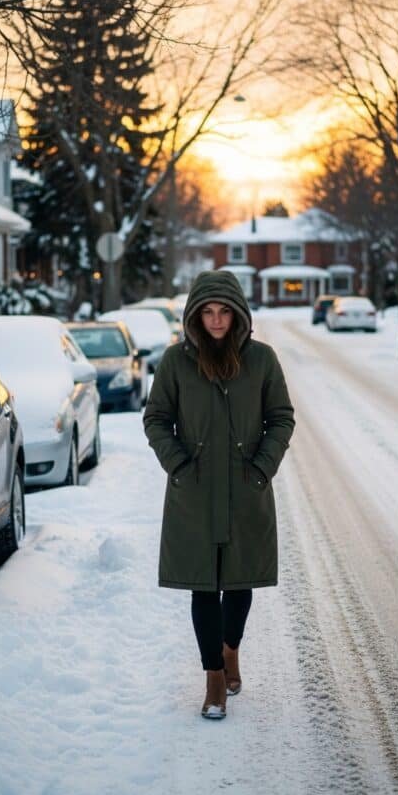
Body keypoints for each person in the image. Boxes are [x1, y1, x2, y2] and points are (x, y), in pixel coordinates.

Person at [143, 270, 295, 719]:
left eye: (223, 311)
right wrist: (180, 465)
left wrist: (261, 468)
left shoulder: (262, 360)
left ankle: (231, 650)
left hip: (246, 490)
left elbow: (281, 418)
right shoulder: (175, 362)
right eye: (206, 312)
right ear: (194, 316)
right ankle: (214, 679)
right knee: (202, 585)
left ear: (237, 314)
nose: (215, 320)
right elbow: (156, 419)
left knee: (240, 581)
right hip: (193, 493)